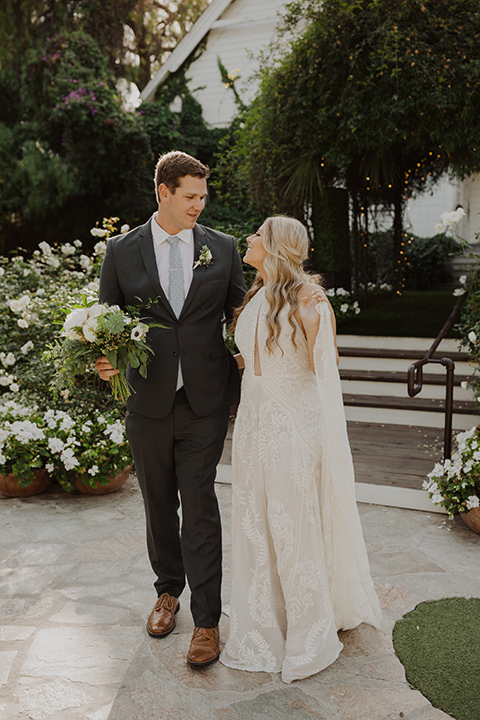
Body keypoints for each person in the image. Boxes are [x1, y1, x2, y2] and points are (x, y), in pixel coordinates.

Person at [96, 151, 246, 667]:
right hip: (147, 400)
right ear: (163, 192)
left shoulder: (223, 249)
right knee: (158, 503)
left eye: (203, 196)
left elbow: (241, 313)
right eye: (190, 196)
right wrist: (104, 359)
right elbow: (106, 319)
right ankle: (167, 591)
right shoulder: (121, 251)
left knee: (199, 505)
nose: (199, 206)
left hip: (205, 398)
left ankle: (206, 622)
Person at [220, 215, 382, 683]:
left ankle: (307, 631)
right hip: (253, 425)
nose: (248, 238)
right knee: (256, 520)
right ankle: (267, 616)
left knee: (292, 523)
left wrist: (316, 316)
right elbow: (256, 360)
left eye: (256, 234)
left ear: (274, 246)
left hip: (293, 426)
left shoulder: (308, 299)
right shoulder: (254, 297)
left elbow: (324, 368)